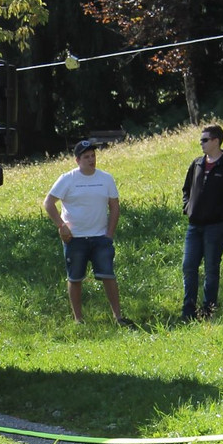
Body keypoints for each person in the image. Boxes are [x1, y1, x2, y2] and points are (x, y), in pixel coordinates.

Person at [43, 139, 132, 326]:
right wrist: (61, 226)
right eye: (86, 157)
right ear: (77, 160)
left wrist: (109, 233)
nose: (91, 160)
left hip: (100, 238)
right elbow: (48, 203)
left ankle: (118, 317)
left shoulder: (105, 178)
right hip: (74, 238)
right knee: (75, 278)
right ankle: (78, 319)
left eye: (93, 156)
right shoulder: (67, 179)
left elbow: (114, 206)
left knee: (109, 276)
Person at [181, 125, 223, 320]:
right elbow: (186, 189)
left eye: (204, 140)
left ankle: (208, 310)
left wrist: (221, 210)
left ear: (216, 141)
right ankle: (188, 310)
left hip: (217, 226)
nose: (200, 143)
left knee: (211, 267)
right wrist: (187, 207)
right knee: (188, 266)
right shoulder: (197, 164)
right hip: (194, 225)